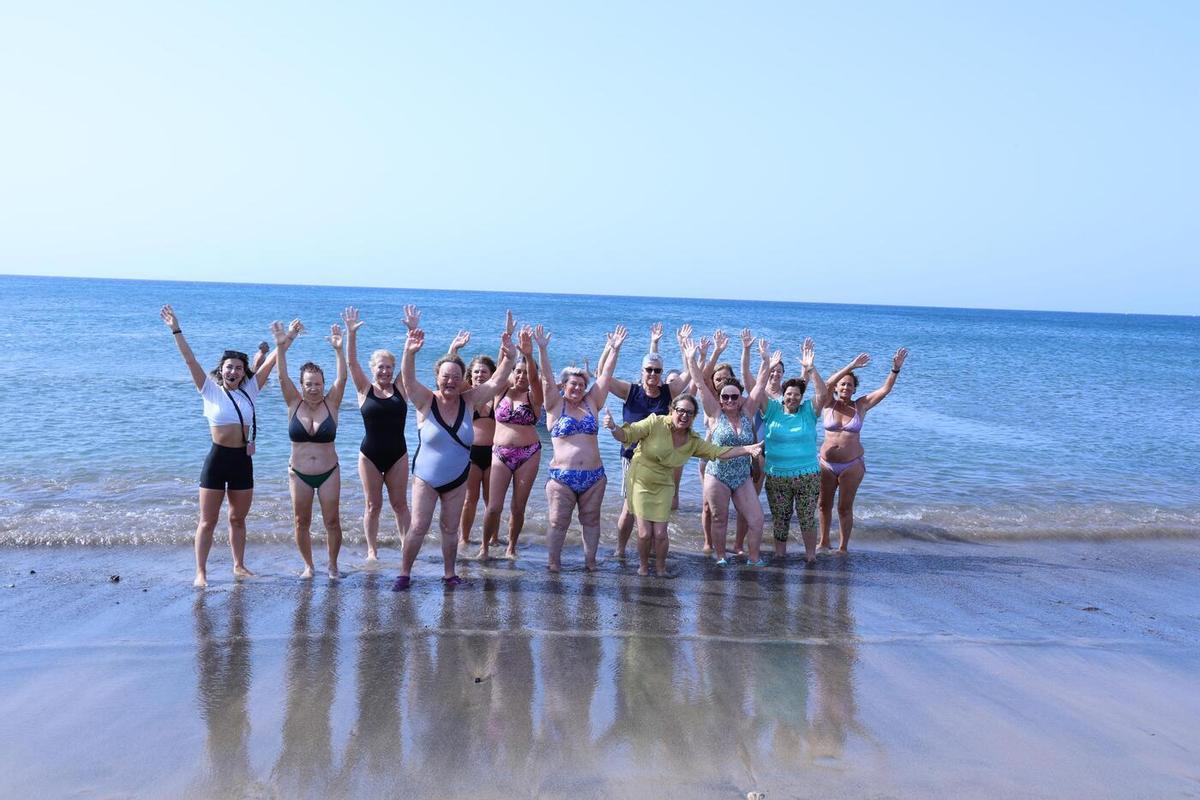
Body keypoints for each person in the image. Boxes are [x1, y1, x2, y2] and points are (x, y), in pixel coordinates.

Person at [160, 304, 285, 587]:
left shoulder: (251, 390)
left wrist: (285, 339)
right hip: (217, 460)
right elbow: (190, 360)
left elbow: (272, 362)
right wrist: (176, 329)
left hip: (242, 460)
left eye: (238, 368)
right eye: (229, 367)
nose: (233, 371)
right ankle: (201, 572)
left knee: (238, 519)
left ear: (243, 373)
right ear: (222, 369)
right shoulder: (209, 391)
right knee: (208, 521)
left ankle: (239, 565)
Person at [393, 312, 516, 590]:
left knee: (450, 529)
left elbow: (497, 382)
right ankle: (404, 573)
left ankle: (449, 574)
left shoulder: (469, 400)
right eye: (445, 376)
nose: (450, 381)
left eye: (456, 377)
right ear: (437, 377)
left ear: (463, 380)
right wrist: (409, 350)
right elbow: (408, 381)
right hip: (426, 478)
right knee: (418, 527)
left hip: (458, 479)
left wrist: (510, 356)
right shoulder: (426, 400)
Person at [603, 394, 762, 577]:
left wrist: (747, 449)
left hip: (664, 484)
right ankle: (643, 567)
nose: (684, 415)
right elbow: (627, 434)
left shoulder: (692, 441)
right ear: (672, 410)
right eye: (680, 411)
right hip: (640, 481)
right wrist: (613, 427)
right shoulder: (655, 423)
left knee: (660, 533)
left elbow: (718, 452)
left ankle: (661, 569)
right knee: (645, 533)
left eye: (689, 413)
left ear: (693, 417)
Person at [536, 323, 624, 571]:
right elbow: (546, 378)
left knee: (591, 521)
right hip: (561, 478)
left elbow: (605, 376)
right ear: (563, 385)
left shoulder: (592, 402)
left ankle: (590, 563)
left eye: (581, 384)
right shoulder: (554, 405)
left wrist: (614, 350)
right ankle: (553, 563)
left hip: (594, 477)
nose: (577, 388)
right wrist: (542, 349)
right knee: (557, 522)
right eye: (572, 384)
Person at [605, 322, 690, 559]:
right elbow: (605, 377)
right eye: (649, 370)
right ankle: (620, 549)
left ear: (662, 373)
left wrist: (686, 349)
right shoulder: (630, 391)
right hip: (632, 457)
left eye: (657, 371)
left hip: (661, 460)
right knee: (629, 508)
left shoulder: (669, 392)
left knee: (657, 508)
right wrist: (614, 350)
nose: (653, 374)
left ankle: (652, 551)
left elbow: (689, 373)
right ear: (642, 371)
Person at [685, 336, 770, 566]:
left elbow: (760, 385)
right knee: (719, 518)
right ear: (720, 399)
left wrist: (765, 360)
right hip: (718, 474)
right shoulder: (715, 413)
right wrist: (692, 358)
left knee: (756, 519)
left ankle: (754, 559)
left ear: (740, 398)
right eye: (726, 396)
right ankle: (721, 557)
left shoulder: (747, 412)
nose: (730, 400)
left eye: (734, 396)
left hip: (742, 475)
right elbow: (700, 384)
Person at [274, 320, 349, 578]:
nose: (314, 388)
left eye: (318, 384)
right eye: (308, 384)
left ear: (323, 384)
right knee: (301, 521)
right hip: (299, 474)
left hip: (329, 472)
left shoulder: (332, 403)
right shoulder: (293, 403)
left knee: (332, 521)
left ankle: (333, 565)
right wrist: (280, 348)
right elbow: (281, 376)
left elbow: (343, 378)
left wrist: (339, 349)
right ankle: (308, 565)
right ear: (302, 385)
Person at [817, 347, 909, 552]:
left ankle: (843, 548)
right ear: (837, 387)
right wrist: (851, 366)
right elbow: (827, 384)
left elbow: (885, 390)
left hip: (851, 465)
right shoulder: (828, 403)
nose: (845, 387)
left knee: (844, 507)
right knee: (823, 505)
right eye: (843, 384)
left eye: (850, 385)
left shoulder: (861, 405)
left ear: (854, 389)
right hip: (825, 464)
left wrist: (895, 369)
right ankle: (823, 542)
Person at [342, 306, 410, 561]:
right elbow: (351, 362)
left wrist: (411, 334)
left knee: (400, 505)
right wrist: (351, 334)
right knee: (373, 505)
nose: (385, 371)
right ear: (373, 369)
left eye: (389, 367)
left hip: (398, 455)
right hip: (369, 455)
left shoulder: (401, 388)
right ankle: (372, 551)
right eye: (381, 367)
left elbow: (408, 363)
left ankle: (407, 547)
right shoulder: (364, 389)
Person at [757, 338, 828, 563]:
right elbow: (756, 389)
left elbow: (823, 394)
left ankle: (811, 557)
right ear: (783, 394)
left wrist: (811, 369)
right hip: (777, 475)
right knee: (780, 518)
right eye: (789, 394)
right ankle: (780, 555)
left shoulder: (808, 411)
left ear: (801, 396)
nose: (792, 397)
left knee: (807, 518)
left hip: (807, 476)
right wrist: (766, 364)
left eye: (797, 394)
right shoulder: (772, 410)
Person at [477, 326, 544, 560]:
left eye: (525, 372)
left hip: (529, 453)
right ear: (512, 373)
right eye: (518, 371)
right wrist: (507, 343)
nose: (522, 376)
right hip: (500, 453)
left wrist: (528, 355)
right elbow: (500, 369)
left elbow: (534, 379)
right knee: (493, 507)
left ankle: (511, 547)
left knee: (518, 507)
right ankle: (484, 548)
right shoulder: (501, 391)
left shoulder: (534, 396)